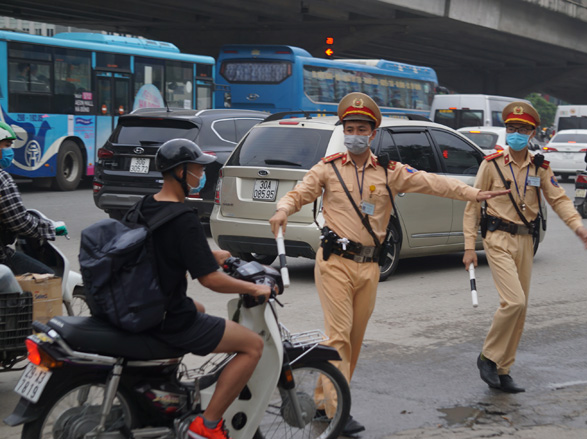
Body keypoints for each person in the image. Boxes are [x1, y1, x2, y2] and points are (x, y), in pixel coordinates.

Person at [269, 92, 510, 435]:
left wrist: (473, 193)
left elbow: (431, 181)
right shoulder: (328, 168)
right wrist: (282, 210)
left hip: (369, 267)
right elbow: (299, 193)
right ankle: (339, 411)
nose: (354, 133)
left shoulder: (388, 172)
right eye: (349, 127)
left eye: (360, 128)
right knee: (338, 335)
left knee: (352, 338)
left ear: (372, 133)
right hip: (334, 261)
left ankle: (324, 400)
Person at [143, 138, 271, 439]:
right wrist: (253, 290)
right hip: (167, 316)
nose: (201, 175)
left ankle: (168, 390)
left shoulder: (146, 205)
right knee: (253, 345)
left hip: (143, 304)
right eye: (197, 169)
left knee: (198, 309)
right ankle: (207, 426)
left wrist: (206, 253)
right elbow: (210, 280)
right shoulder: (184, 217)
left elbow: (160, 249)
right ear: (180, 171)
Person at [463, 102, 587, 393]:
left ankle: (503, 369)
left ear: (533, 132)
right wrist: (469, 245)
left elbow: (558, 199)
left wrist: (578, 226)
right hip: (497, 238)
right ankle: (487, 357)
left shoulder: (539, 167)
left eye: (522, 129)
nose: (516, 134)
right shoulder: (492, 163)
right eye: (511, 128)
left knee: (521, 309)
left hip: (525, 240)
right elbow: (473, 203)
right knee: (514, 302)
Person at [0, 121, 66, 275]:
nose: (10, 150)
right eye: (7, 145)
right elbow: (19, 222)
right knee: (48, 277)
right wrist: (52, 228)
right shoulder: (2, 179)